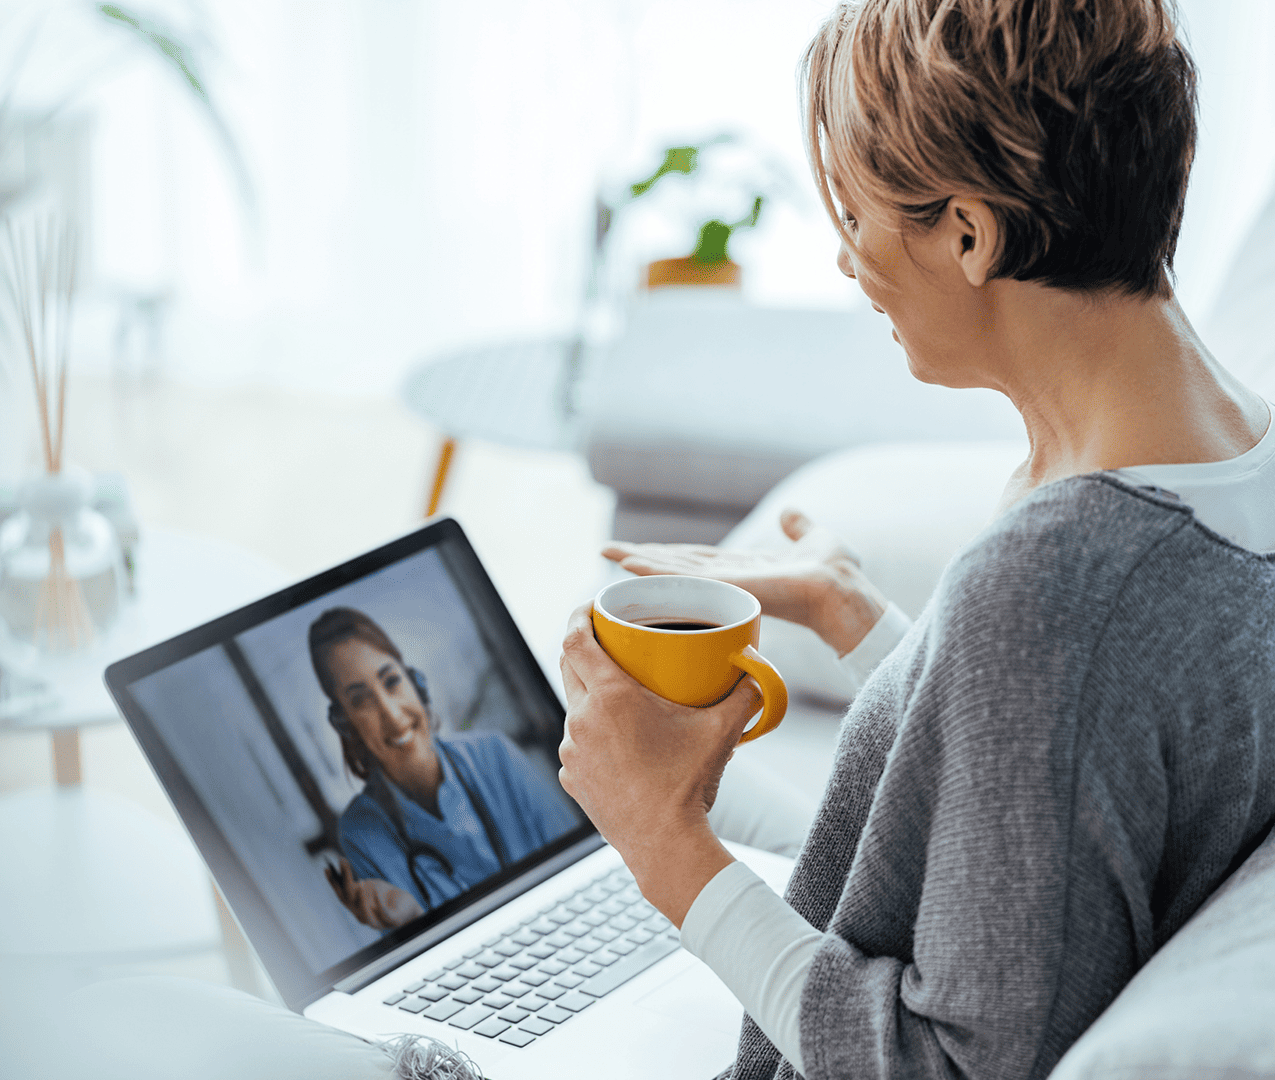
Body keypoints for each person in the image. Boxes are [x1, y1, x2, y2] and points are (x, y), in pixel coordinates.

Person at [556, 2, 1275, 1079]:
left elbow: (948, 1066)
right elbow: (1061, 778)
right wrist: (858, 616)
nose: (847, 262)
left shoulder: (1059, 584)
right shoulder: (1223, 455)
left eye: (855, 214)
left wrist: (665, 844)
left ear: (970, 235)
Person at [309, 606, 579, 929]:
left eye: (391, 681)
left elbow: (578, 865)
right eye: (360, 700)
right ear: (345, 724)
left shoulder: (494, 755)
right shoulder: (361, 833)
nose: (392, 715)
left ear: (415, 682)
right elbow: (418, 947)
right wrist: (409, 920)